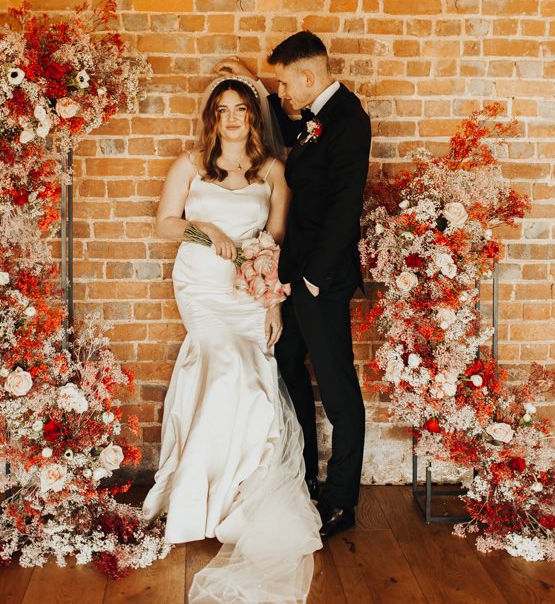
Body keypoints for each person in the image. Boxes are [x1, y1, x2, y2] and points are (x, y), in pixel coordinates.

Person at [142, 75, 322, 603]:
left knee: (249, 378)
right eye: (222, 109)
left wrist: (272, 301)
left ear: (253, 115)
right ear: (212, 117)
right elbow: (165, 225)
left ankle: (237, 503)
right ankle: (198, 499)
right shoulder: (190, 166)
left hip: (248, 289)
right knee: (221, 368)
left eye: (241, 108)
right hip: (200, 284)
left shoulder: (273, 172)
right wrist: (212, 233)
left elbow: (277, 241)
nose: (232, 117)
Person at [215, 31, 371, 541]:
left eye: (285, 82)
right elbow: (292, 126)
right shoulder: (316, 115)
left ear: (308, 77)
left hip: (319, 281)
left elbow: (346, 208)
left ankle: (341, 502)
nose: (283, 92)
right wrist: (252, 87)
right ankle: (301, 479)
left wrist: (312, 279)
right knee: (288, 372)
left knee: (338, 389)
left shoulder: (349, 120)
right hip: (293, 279)